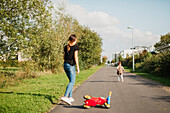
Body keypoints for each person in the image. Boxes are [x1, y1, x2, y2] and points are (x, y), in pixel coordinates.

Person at [61, 34, 80, 105]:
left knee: (70, 81)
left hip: (65, 65)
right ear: (74, 40)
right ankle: (65, 96)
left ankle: (70, 97)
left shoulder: (66, 47)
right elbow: (76, 57)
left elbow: (64, 56)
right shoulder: (75, 47)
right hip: (71, 66)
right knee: (72, 82)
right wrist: (78, 67)